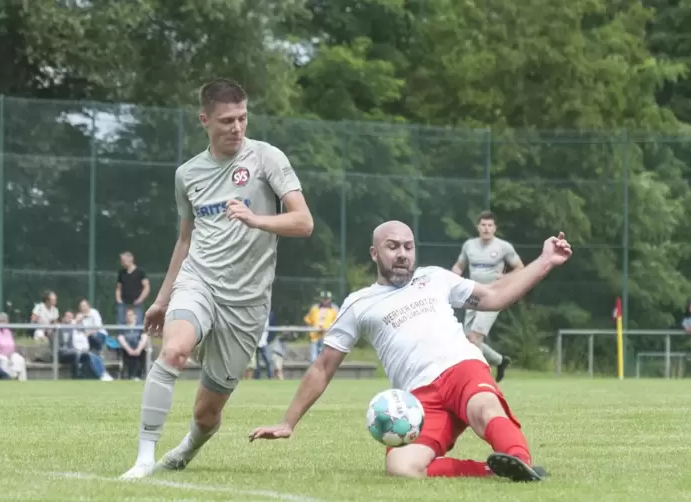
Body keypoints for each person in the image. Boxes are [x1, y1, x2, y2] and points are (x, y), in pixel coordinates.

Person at [249, 221, 572, 483]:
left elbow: (494, 297)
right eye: (393, 246)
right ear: (375, 253)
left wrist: (545, 262)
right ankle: (492, 470)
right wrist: (288, 422)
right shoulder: (358, 303)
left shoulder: (434, 277)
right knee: (401, 466)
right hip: (418, 399)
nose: (402, 253)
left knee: (484, 410)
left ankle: (522, 462)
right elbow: (323, 367)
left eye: (408, 246)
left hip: (462, 368)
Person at [120, 77, 314, 479]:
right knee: (172, 352)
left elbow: (304, 221)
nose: (237, 127)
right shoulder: (187, 174)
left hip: (247, 303)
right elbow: (185, 240)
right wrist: (161, 299)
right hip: (200, 281)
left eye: (243, 118)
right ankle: (142, 458)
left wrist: (256, 218)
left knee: (207, 414)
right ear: (205, 119)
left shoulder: (267, 159)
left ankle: (188, 446)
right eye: (227, 120)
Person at [452, 211, 524, 382]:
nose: (486, 228)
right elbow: (459, 266)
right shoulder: (469, 245)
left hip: (493, 296)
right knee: (468, 339)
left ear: (495, 228)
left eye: (490, 225)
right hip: (472, 295)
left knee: (476, 337)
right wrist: (454, 276)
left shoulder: (503, 247)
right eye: (483, 225)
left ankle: (478, 378)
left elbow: (520, 268)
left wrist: (505, 278)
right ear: (478, 227)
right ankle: (500, 361)